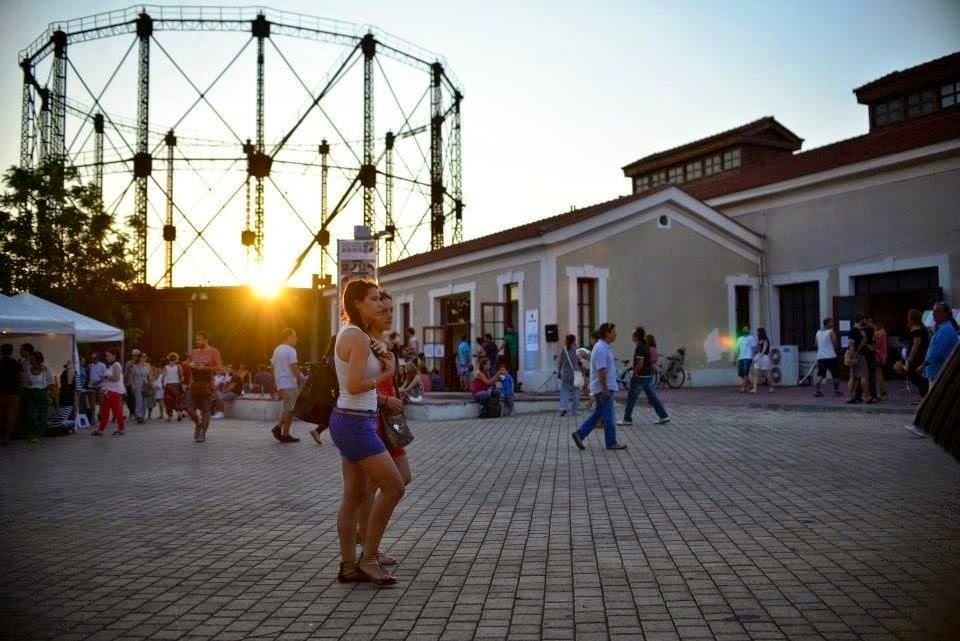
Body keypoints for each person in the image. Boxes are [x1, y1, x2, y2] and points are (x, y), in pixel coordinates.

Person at [329, 280, 404, 586]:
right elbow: (354, 385)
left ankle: (348, 566)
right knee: (394, 487)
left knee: (354, 496)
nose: (380, 304)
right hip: (355, 422)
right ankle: (369, 559)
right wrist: (386, 373)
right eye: (373, 299)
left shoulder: (353, 334)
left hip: (352, 420)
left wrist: (382, 355)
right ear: (357, 303)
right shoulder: (357, 337)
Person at [904, 303, 959, 438]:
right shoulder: (942, 328)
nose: (933, 314)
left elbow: (936, 352)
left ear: (945, 314)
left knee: (932, 403)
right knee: (938, 403)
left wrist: (923, 365)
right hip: (937, 371)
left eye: (937, 312)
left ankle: (921, 427)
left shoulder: (946, 330)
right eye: (933, 311)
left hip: (939, 372)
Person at [571, 323, 627, 451]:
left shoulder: (604, 347)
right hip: (604, 388)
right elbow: (601, 370)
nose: (616, 334)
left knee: (599, 413)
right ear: (607, 333)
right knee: (609, 416)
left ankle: (580, 434)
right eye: (613, 331)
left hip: (604, 387)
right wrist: (605, 388)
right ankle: (611, 442)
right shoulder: (601, 348)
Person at [619, 326, 670, 426]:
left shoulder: (640, 347)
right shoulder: (645, 345)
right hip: (647, 375)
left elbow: (640, 363)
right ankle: (663, 416)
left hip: (640, 377)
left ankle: (627, 419)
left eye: (633, 335)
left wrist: (635, 373)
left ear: (636, 336)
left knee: (631, 398)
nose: (632, 336)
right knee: (652, 397)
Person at [184, 331, 223, 443]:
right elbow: (186, 363)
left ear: (206, 340)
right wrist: (189, 364)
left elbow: (219, 367)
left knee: (206, 411)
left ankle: (202, 434)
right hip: (194, 385)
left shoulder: (213, 351)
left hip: (207, 385)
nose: (197, 341)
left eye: (199, 339)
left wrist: (204, 368)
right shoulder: (194, 352)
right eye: (196, 339)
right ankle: (198, 424)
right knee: (190, 409)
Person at [271, 328, 304, 443]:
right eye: (295, 336)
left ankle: (285, 434)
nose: (297, 339)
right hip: (289, 383)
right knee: (291, 408)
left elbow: (273, 366)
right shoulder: (290, 350)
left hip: (282, 382)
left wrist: (276, 381)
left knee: (289, 408)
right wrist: (301, 380)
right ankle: (278, 427)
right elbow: (294, 366)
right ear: (288, 337)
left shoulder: (277, 349)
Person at [22, 351, 56, 444]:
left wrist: (48, 391)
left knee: (42, 415)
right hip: (30, 392)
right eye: (30, 359)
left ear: (38, 359)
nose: (31, 361)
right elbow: (24, 381)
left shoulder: (46, 369)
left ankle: (38, 434)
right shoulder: (28, 369)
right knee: (30, 415)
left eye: (32, 359)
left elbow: (51, 382)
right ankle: (31, 433)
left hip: (42, 392)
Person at [93, 349, 126, 435]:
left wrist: (106, 377)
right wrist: (99, 381)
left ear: (114, 356)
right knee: (106, 411)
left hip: (113, 392)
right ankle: (101, 430)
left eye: (108, 355)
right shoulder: (112, 365)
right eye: (106, 355)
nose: (106, 357)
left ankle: (120, 428)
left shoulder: (116, 365)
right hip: (109, 391)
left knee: (116, 411)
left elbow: (116, 378)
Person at [847, 313, 876, 403]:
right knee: (863, 376)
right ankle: (866, 397)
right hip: (860, 355)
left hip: (855, 355)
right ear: (860, 320)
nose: (865, 321)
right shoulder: (861, 331)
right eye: (863, 319)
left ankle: (850, 397)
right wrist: (853, 356)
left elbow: (851, 345)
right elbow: (852, 346)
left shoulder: (853, 331)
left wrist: (851, 356)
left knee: (852, 377)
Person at [902, 309, 930, 398]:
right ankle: (924, 396)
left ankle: (925, 395)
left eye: (908, 317)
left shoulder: (917, 330)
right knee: (915, 376)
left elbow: (915, 345)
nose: (907, 318)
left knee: (915, 376)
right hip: (917, 357)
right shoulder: (917, 329)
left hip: (917, 357)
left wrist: (910, 358)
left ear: (912, 318)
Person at [0, 343, 23, 445]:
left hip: (1, 393)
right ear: (11, 351)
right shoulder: (16, 363)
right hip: (14, 393)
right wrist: (20, 391)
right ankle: (7, 437)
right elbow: (21, 378)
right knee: (11, 416)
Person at [813, 318, 841, 397]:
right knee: (835, 374)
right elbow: (835, 344)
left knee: (820, 374)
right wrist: (834, 347)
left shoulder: (818, 332)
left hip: (821, 357)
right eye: (831, 322)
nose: (833, 324)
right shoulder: (831, 332)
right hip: (831, 356)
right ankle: (836, 390)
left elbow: (815, 344)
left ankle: (817, 391)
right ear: (828, 323)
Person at [558, 334, 580, 417]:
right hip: (575, 373)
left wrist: (559, 371)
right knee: (576, 391)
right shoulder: (576, 349)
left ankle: (563, 408)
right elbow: (579, 362)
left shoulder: (564, 349)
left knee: (564, 391)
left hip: (566, 373)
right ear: (574, 340)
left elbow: (561, 361)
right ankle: (574, 410)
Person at [162, 353, 185, 422]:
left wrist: (163, 385)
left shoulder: (166, 367)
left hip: (168, 385)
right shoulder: (178, 366)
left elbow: (163, 377)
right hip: (176, 385)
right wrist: (181, 384)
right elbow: (182, 377)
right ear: (176, 359)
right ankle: (179, 413)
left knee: (168, 401)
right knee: (177, 400)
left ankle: (169, 416)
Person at [750, 328, 774, 393]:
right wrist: (755, 355)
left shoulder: (765, 340)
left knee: (767, 374)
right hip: (759, 356)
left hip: (764, 357)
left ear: (761, 333)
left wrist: (758, 357)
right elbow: (757, 350)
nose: (757, 333)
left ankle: (771, 387)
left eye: (758, 332)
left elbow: (764, 350)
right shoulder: (759, 341)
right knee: (755, 373)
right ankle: (754, 389)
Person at [735, 326, 756, 392]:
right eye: (744, 329)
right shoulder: (739, 339)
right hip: (740, 358)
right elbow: (737, 349)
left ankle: (743, 388)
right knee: (740, 373)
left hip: (748, 357)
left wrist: (753, 357)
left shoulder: (751, 338)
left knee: (745, 372)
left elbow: (753, 348)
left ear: (748, 330)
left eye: (746, 329)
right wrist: (735, 358)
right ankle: (750, 384)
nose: (745, 330)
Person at [88, 352, 107, 423]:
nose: (93, 359)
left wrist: (98, 382)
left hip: (100, 386)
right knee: (92, 403)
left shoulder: (102, 365)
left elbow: (105, 376)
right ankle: (92, 417)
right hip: (92, 386)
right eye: (92, 358)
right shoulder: (90, 366)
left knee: (101, 402)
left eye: (95, 358)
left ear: (98, 358)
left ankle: (100, 414)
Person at [873, 319, 889, 400]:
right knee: (880, 374)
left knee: (878, 375)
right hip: (882, 355)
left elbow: (876, 345)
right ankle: (883, 392)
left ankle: (883, 393)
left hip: (878, 356)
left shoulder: (878, 333)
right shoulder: (883, 331)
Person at [123, 348, 141, 418]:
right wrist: (124, 383)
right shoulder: (128, 363)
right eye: (133, 355)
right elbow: (126, 374)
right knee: (130, 399)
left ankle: (137, 413)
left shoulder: (140, 363)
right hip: (129, 383)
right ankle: (132, 412)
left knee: (137, 399)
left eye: (136, 355)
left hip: (138, 384)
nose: (135, 357)